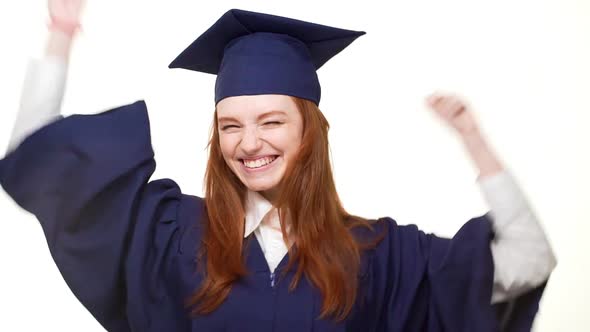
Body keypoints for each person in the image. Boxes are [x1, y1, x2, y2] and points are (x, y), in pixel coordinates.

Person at [0, 1, 556, 331]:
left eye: (271, 121)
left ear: (308, 133)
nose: (248, 142)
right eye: (230, 125)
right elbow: (34, 163)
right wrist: (59, 39)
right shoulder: (170, 233)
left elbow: (528, 262)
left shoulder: (377, 254)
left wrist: (474, 141)